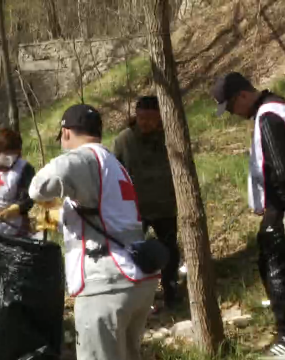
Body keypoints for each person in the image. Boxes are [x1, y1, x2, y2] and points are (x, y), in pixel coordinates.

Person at [30, 104, 160, 360]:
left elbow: (38, 187)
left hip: (106, 285)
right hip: (136, 280)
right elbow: (104, 216)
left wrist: (48, 197)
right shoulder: (111, 164)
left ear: (66, 133)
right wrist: (59, 216)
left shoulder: (84, 158)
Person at [211, 72, 285, 359]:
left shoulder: (268, 116)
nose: (234, 115)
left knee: (275, 268)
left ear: (243, 96)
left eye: (232, 107)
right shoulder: (283, 105)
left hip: (284, 206)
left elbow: (283, 170)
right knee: (283, 266)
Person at [113, 96, 180, 309]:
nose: (145, 123)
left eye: (151, 118)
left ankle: (171, 291)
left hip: (165, 206)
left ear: (160, 117)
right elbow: (114, 173)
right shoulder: (124, 140)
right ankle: (136, 296)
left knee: (169, 251)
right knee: (131, 253)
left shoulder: (169, 137)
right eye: (141, 117)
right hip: (135, 210)